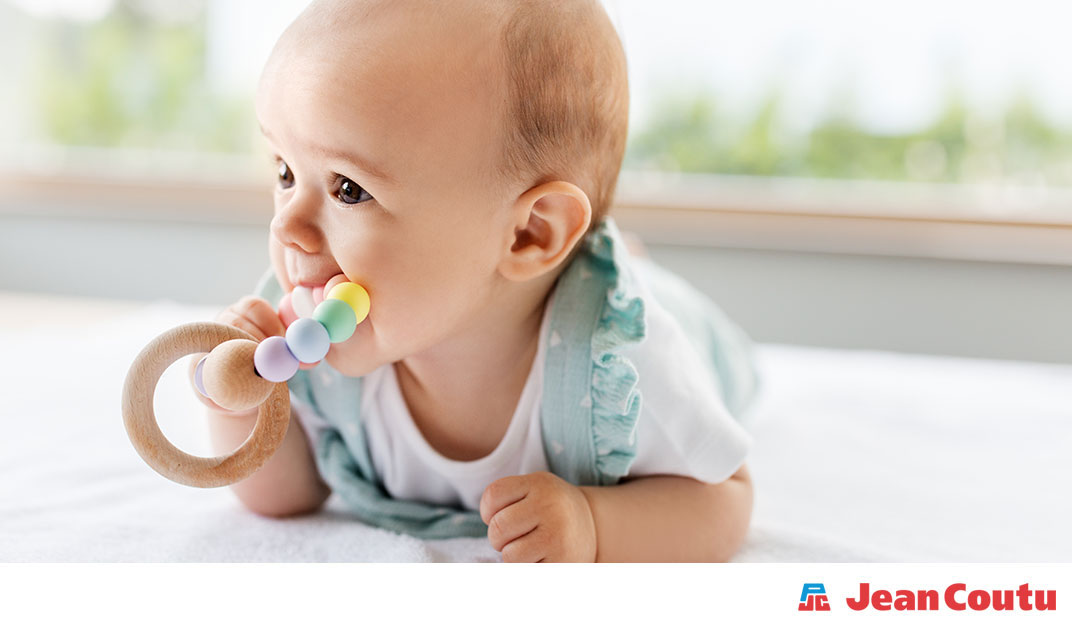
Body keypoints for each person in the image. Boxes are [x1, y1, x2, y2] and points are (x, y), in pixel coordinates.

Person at [196, 0, 760, 562]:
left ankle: (629, 259)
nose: (287, 227)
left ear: (527, 235)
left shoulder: (623, 362)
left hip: (689, 332)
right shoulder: (309, 326)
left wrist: (595, 525)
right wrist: (242, 409)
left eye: (349, 189)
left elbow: (723, 498)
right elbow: (292, 492)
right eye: (285, 171)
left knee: (670, 306)